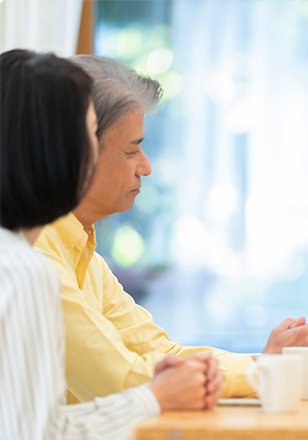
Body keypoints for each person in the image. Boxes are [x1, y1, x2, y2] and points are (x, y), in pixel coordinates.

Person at [33, 54, 308, 404]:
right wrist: (262, 368)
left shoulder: (82, 251)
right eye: (133, 150)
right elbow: (121, 378)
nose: (145, 167)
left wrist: (264, 363)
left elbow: (160, 352)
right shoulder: (35, 252)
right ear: (78, 151)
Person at [0, 49, 223, 440]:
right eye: (86, 135)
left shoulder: (49, 255)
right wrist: (155, 397)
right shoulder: (22, 269)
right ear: (51, 149)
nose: (143, 165)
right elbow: (36, 433)